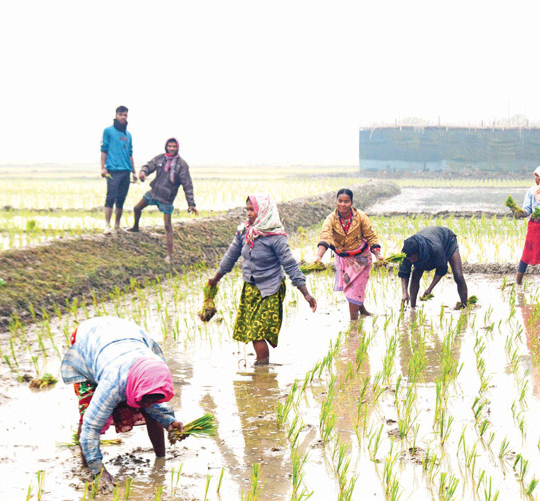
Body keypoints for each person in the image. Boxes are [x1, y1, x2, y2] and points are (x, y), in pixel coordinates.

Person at [60, 316, 186, 488]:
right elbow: (91, 427)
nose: (149, 405)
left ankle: (160, 456)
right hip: (90, 341)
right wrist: (99, 470)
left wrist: (169, 422)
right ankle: (89, 468)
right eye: (148, 400)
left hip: (126, 335)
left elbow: (154, 402)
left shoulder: (154, 367)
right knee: (88, 411)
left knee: (149, 409)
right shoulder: (112, 384)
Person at [208, 195, 317, 365]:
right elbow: (231, 256)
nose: (249, 214)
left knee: (257, 333)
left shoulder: (276, 237)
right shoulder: (244, 232)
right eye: (248, 210)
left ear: (264, 211)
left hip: (271, 289)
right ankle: (262, 369)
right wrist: (215, 279)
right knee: (252, 332)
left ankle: (262, 372)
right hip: (250, 289)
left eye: (253, 210)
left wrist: (306, 294)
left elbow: (290, 264)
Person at [312, 189, 382, 320]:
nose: (343, 204)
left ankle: (353, 323)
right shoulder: (331, 219)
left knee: (356, 288)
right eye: (340, 201)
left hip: (361, 258)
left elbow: (370, 235)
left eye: (346, 201)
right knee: (353, 287)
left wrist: (378, 255)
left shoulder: (361, 216)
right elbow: (325, 237)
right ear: (336, 201)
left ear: (351, 203)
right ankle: (362, 311)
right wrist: (319, 256)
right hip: (343, 258)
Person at [131, 138, 197, 264]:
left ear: (177, 148)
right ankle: (135, 227)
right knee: (136, 208)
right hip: (154, 192)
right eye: (169, 146)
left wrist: (191, 204)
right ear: (166, 147)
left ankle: (170, 255)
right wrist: (143, 172)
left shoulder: (182, 165)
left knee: (167, 225)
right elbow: (149, 165)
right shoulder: (160, 158)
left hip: (167, 198)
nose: (171, 149)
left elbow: (187, 185)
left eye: (174, 146)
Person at [398, 226, 469, 309]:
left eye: (413, 258)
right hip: (429, 241)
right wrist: (404, 292)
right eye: (409, 259)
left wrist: (430, 288)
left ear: (418, 253)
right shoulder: (406, 253)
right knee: (416, 274)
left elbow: (441, 269)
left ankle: (465, 306)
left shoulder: (436, 249)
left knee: (458, 275)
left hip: (447, 240)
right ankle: (412, 307)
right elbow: (404, 272)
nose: (411, 261)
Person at [100, 105, 137, 235]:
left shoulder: (128, 135)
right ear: (116, 115)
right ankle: (107, 226)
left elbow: (130, 153)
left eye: (125, 115)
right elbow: (104, 150)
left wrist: (134, 171)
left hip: (125, 170)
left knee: (121, 198)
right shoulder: (108, 131)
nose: (123, 117)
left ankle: (117, 225)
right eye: (121, 115)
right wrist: (103, 168)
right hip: (113, 170)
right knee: (110, 197)